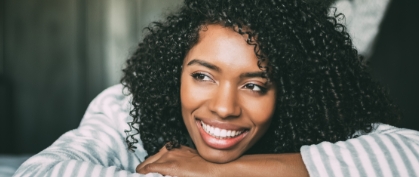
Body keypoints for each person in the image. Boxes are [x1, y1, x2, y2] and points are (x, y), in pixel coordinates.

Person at [14, 0, 419, 176]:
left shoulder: (318, 124)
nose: (224, 107)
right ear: (175, 73)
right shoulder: (125, 108)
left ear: (289, 94)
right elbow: (41, 172)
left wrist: (215, 172)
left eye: (255, 85)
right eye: (203, 76)